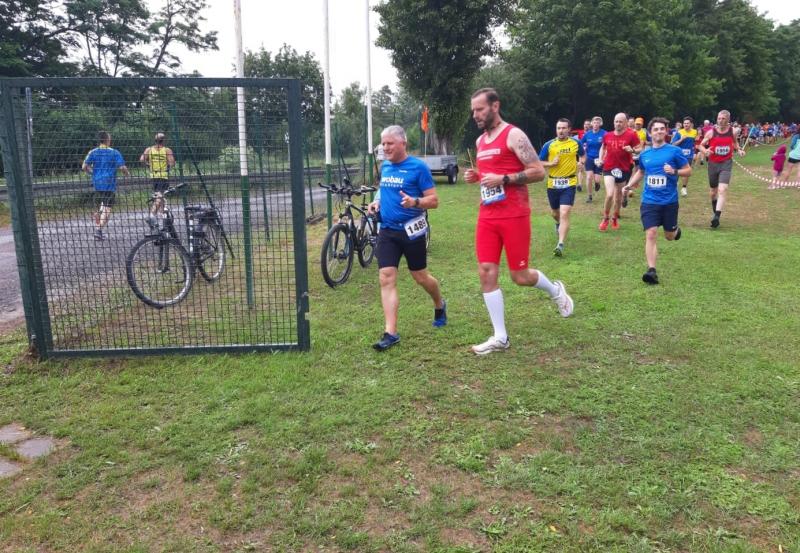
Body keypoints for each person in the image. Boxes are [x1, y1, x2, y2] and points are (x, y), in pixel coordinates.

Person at [464, 88, 573, 355]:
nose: (475, 114)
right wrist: (477, 176)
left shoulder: (514, 135)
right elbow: (490, 174)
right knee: (486, 271)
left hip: (514, 214)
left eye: (479, 109)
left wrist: (504, 179)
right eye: (473, 110)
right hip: (487, 215)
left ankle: (555, 290)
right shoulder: (480, 141)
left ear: (495, 106)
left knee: (519, 276)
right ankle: (500, 337)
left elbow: (537, 172)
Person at [367, 125, 446, 351]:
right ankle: (391, 333)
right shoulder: (386, 166)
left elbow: (434, 201)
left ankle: (439, 303)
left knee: (421, 277)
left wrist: (415, 202)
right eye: (383, 143)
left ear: (403, 143)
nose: (385, 147)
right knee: (386, 277)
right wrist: (377, 201)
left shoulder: (418, 167)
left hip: (412, 231)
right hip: (387, 231)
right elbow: (384, 189)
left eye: (390, 143)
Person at [623, 117, 691, 285]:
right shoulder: (645, 154)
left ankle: (675, 231)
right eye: (656, 129)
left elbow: (688, 170)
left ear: (666, 131)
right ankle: (651, 270)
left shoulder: (674, 151)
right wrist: (629, 185)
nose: (659, 131)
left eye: (662, 129)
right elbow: (641, 172)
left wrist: (674, 171)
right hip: (649, 201)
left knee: (669, 236)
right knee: (651, 233)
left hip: (669, 201)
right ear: (650, 133)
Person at [539, 118, 585, 256]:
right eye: (559, 128)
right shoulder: (549, 145)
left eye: (564, 128)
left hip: (569, 183)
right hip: (553, 184)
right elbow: (539, 162)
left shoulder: (576, 143)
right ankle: (558, 224)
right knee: (555, 213)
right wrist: (551, 164)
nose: (561, 130)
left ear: (569, 129)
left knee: (565, 212)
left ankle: (560, 245)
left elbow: (583, 155)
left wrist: (581, 163)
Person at [698, 109, 744, 228]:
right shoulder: (711, 132)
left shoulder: (732, 131)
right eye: (719, 118)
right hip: (713, 164)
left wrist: (739, 150)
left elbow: (735, 143)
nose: (720, 120)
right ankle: (715, 207)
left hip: (726, 163)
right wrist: (705, 151)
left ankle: (717, 217)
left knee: (723, 189)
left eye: (723, 118)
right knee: (713, 192)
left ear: (728, 120)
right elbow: (700, 145)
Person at [597, 112, 641, 231]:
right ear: (613, 122)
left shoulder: (631, 135)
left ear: (626, 123)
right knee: (609, 194)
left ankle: (615, 218)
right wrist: (601, 158)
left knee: (618, 197)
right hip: (609, 167)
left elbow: (640, 148)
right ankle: (605, 218)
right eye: (616, 121)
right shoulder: (608, 135)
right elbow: (603, 147)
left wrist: (632, 150)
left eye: (621, 121)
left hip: (624, 168)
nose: (618, 124)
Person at [82, 131, 130, 241]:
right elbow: (122, 167)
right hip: (109, 183)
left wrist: (93, 173)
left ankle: (99, 217)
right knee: (108, 208)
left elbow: (84, 166)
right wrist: (127, 174)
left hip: (97, 183)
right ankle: (98, 230)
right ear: (108, 140)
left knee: (103, 203)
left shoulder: (93, 152)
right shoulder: (114, 152)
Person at [139, 132, 175, 227]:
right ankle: (152, 215)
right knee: (160, 196)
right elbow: (172, 163)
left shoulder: (149, 149)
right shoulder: (167, 150)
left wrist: (148, 165)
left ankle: (164, 218)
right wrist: (167, 165)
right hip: (163, 176)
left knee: (160, 197)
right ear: (164, 140)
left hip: (153, 176)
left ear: (155, 140)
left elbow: (142, 159)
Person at [581, 116, 606, 203]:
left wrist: (603, 158)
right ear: (592, 124)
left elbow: (608, 145)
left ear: (600, 124)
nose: (596, 124)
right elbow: (580, 143)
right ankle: (589, 196)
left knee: (597, 179)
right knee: (589, 177)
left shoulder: (604, 133)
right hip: (589, 158)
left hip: (599, 159)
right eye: (594, 122)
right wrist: (582, 152)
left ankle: (597, 183)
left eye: (597, 123)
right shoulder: (587, 134)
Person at [671, 116, 698, 196]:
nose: (686, 125)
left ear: (691, 124)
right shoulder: (679, 132)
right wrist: (681, 139)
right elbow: (673, 144)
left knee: (686, 172)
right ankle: (674, 185)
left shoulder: (694, 132)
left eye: (687, 123)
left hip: (689, 155)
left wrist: (695, 153)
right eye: (685, 123)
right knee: (676, 171)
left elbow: (696, 143)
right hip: (678, 155)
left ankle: (684, 188)